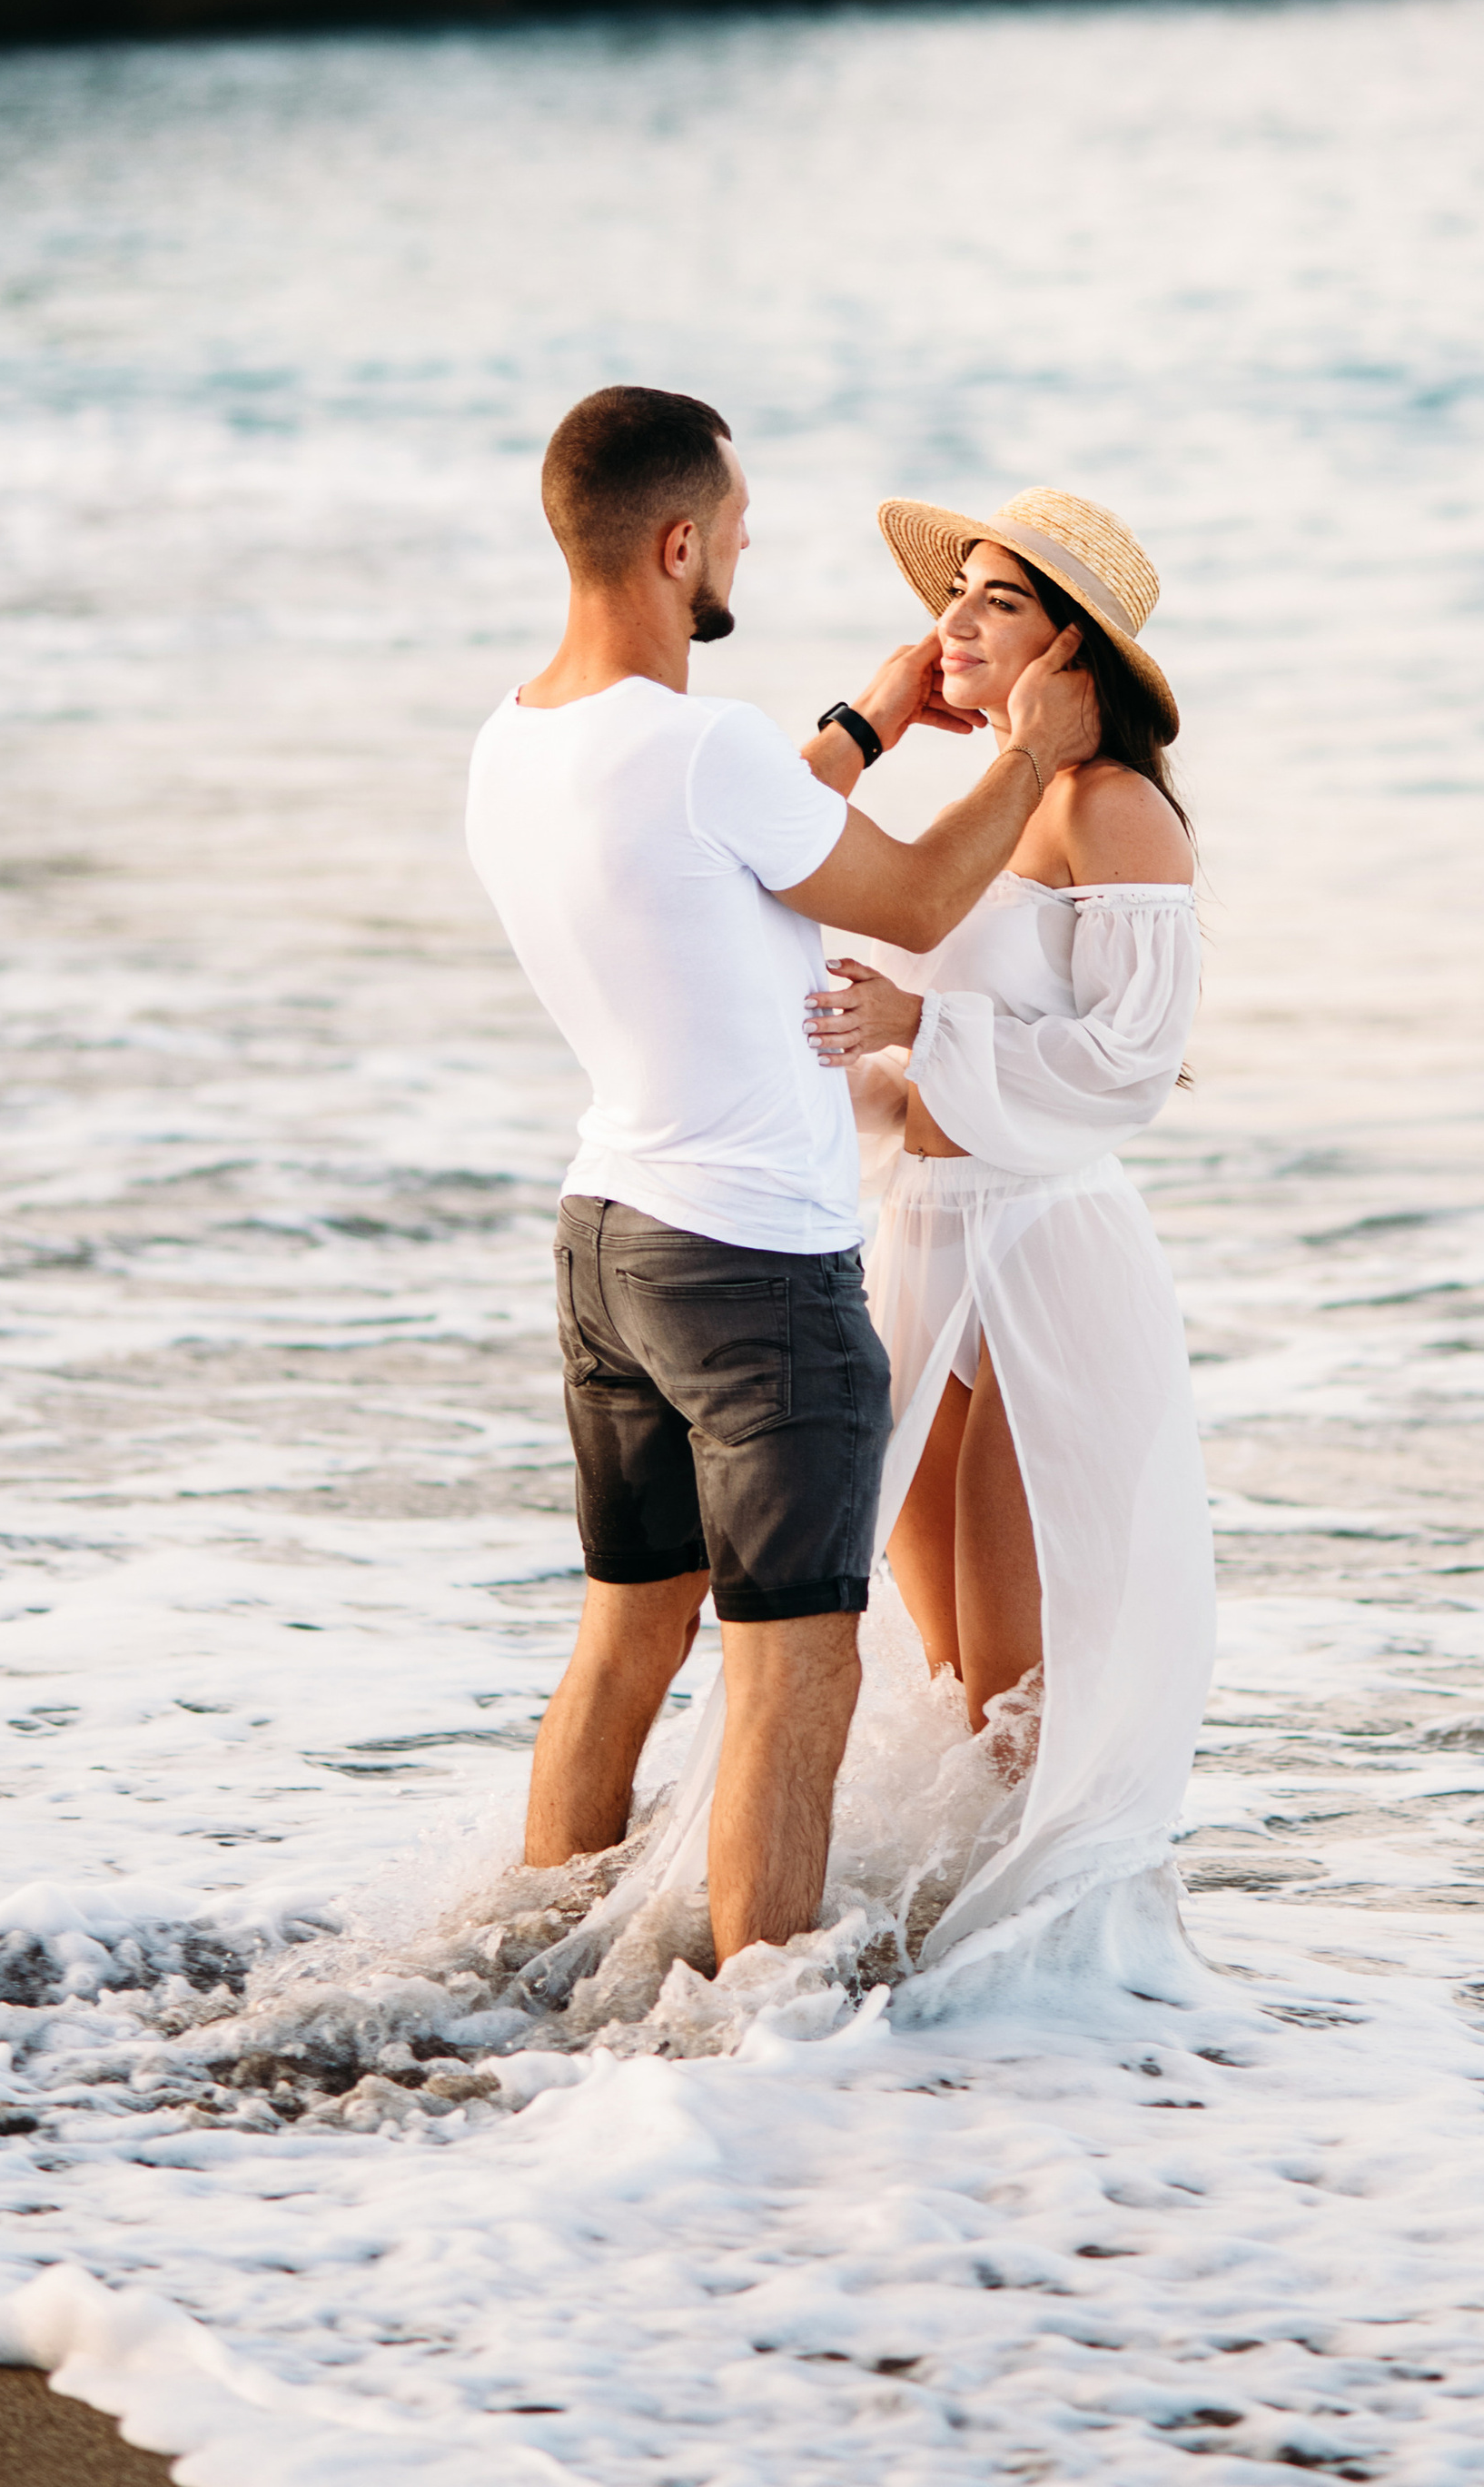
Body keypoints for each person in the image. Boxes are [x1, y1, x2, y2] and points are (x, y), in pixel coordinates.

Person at [464, 391, 1097, 1969]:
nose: (744, 549)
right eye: (737, 532)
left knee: (627, 1632)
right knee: (795, 1671)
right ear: (680, 545)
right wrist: (1030, 758)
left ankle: (521, 1970)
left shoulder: (525, 737)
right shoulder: (703, 749)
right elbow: (917, 890)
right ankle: (756, 2049)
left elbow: (725, 835)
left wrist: (876, 722)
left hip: (610, 1239)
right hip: (752, 1266)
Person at [805, 487, 1214, 1971]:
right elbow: (777, 860)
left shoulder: (1112, 805)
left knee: (1014, 1685)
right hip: (926, 1237)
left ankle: (1030, 1996)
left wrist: (923, 1022)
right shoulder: (982, 800)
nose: (956, 622)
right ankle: (933, 1971)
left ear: (1072, 651)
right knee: (946, 1676)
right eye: (956, 594)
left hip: (1042, 1258)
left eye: (998, 603)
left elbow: (1127, 1068)